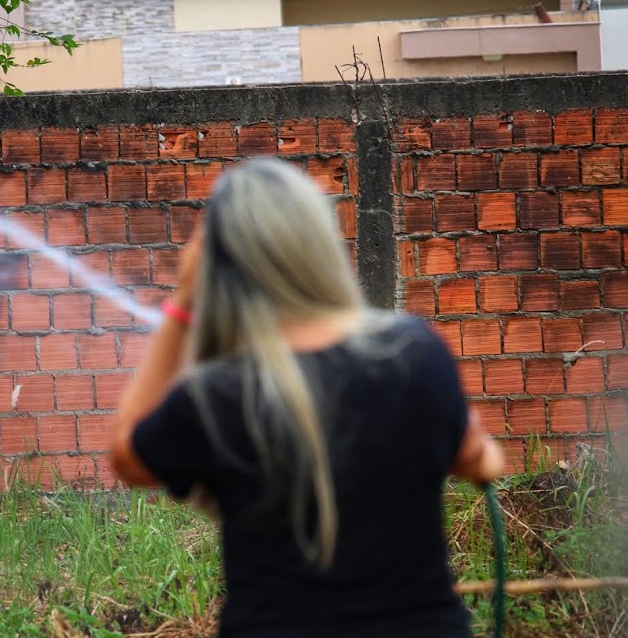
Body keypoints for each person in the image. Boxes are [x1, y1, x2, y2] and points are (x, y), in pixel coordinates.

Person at [108, 158, 505, 638]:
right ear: (319, 243)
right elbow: (476, 459)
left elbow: (126, 457)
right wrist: (483, 456)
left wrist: (183, 302)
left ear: (219, 269)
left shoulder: (216, 397)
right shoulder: (414, 353)